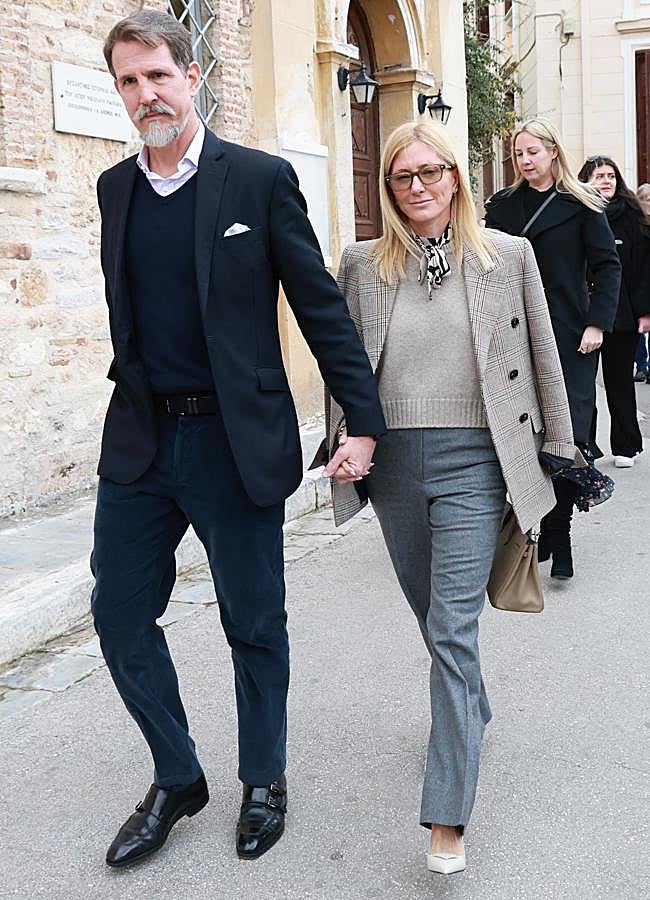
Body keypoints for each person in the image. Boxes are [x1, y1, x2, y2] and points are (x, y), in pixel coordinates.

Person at [91, 9, 385, 869]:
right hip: (142, 442)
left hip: (234, 440)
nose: (146, 93)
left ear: (192, 76)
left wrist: (361, 422)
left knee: (254, 621)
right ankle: (178, 775)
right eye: (129, 81)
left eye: (158, 75)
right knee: (118, 613)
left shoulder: (257, 179)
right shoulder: (114, 189)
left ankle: (264, 778)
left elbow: (320, 307)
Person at [321, 121, 576, 876]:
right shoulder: (364, 264)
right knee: (431, 618)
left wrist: (561, 450)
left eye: (432, 171)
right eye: (403, 176)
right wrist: (346, 436)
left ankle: (447, 814)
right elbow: (345, 362)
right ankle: (472, 708)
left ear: (456, 177)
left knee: (453, 627)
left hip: (477, 461)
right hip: (394, 464)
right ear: (388, 188)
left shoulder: (507, 256)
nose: (419, 186)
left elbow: (542, 356)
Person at [484, 118, 620, 579]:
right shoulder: (502, 206)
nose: (525, 161)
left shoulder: (582, 204)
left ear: (553, 152)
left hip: (569, 334)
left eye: (533, 152)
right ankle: (539, 526)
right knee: (524, 435)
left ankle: (559, 535)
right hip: (514, 335)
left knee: (567, 434)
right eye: (519, 153)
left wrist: (597, 323)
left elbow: (607, 265)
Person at [577, 156, 650, 466]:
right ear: (585, 181)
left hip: (622, 314)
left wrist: (644, 312)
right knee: (582, 386)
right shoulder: (575, 212)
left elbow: (643, 269)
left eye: (610, 176)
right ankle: (584, 446)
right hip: (581, 313)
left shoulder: (632, 216)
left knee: (619, 382)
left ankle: (625, 446)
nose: (606, 181)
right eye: (598, 176)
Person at [634, 184, 650, 382]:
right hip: (639, 282)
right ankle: (641, 365)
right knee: (638, 328)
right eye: (646, 198)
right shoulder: (635, 224)